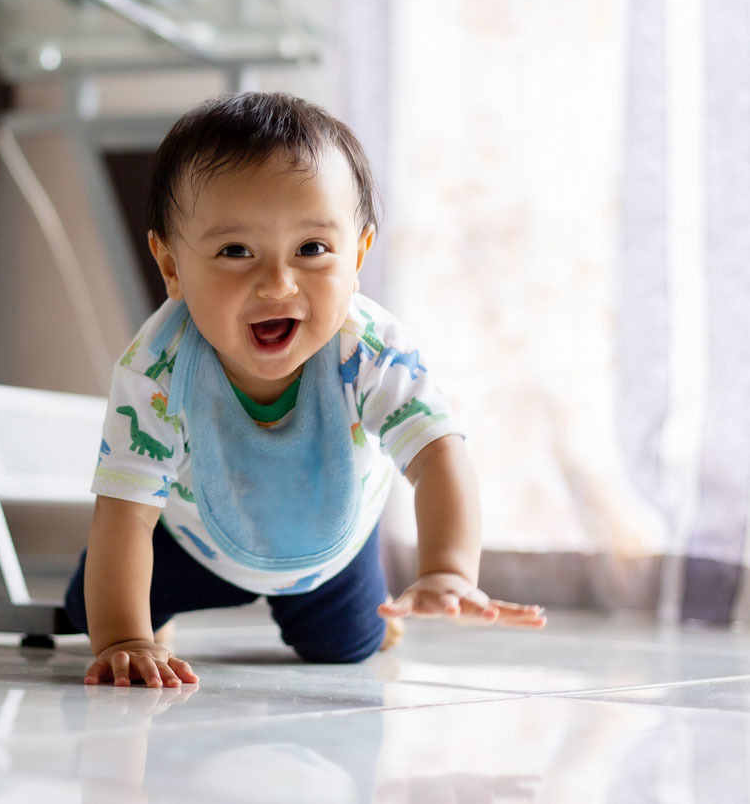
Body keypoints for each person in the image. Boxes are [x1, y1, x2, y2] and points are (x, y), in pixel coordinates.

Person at [64, 91, 545, 688]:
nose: (277, 283)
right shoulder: (158, 368)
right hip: (191, 540)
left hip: (325, 550)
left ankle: (372, 617)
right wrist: (126, 639)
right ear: (171, 267)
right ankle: (151, 622)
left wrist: (448, 569)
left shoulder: (369, 349)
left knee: (345, 648)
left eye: (312, 249)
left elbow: (438, 453)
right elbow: (125, 515)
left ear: (359, 252)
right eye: (236, 251)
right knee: (88, 614)